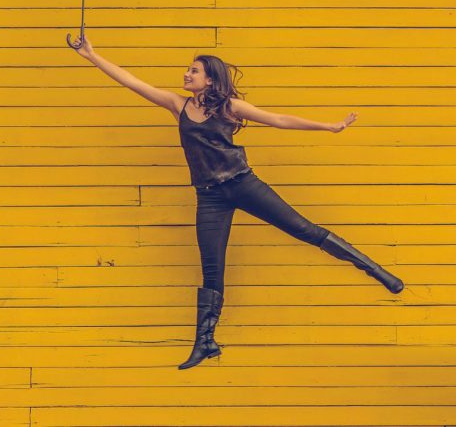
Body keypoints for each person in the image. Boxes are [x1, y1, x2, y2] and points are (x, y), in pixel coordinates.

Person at [69, 34, 404, 370]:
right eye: (188, 70)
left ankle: (376, 270)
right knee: (211, 268)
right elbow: (131, 82)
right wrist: (91, 56)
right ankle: (205, 342)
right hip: (209, 196)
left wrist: (328, 127)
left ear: (210, 79)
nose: (187, 75)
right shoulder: (178, 105)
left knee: (303, 229)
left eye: (194, 71)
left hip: (243, 184)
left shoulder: (229, 107)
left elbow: (278, 119)